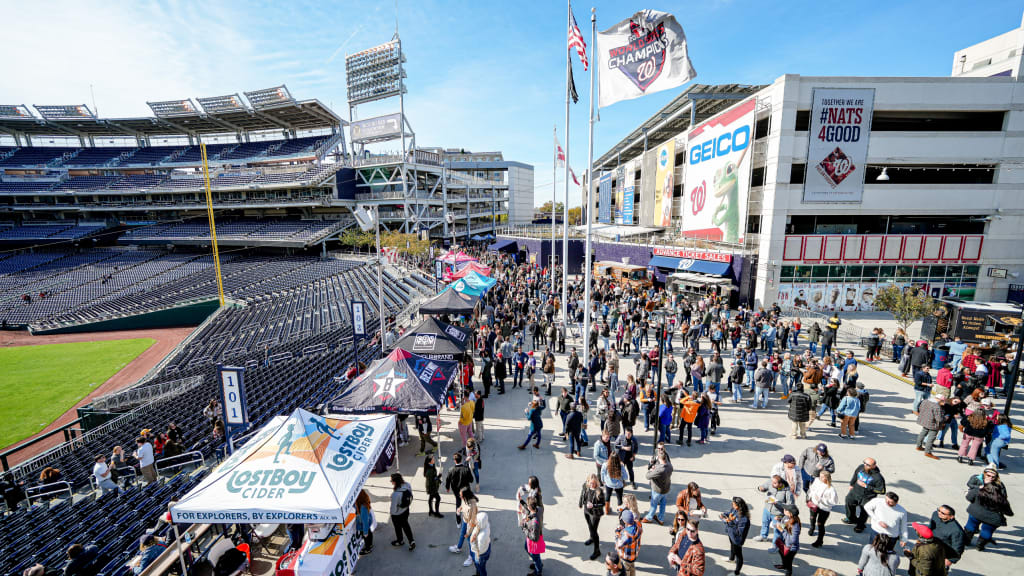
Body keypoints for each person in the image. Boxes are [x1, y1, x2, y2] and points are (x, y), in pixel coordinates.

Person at [964, 467, 1014, 551]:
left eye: (992, 476)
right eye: (988, 475)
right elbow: (1008, 511)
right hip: (992, 518)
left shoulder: (978, 490)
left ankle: (966, 541)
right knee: (987, 531)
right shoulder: (1001, 496)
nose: (990, 478)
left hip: (976, 512)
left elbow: (969, 498)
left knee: (970, 526)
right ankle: (980, 546)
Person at [844, 458, 886, 533]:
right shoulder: (861, 467)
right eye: (864, 463)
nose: (865, 465)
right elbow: (855, 474)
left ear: (874, 466)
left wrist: (866, 486)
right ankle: (851, 519)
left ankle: (860, 525)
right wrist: (852, 484)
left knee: (864, 511)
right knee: (848, 502)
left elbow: (882, 491)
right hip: (855, 491)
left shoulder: (878, 477)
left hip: (867, 497)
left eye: (868, 465)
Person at [806, 469, 839, 548]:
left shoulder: (831, 489)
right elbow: (811, 489)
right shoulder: (817, 481)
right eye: (820, 476)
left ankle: (819, 540)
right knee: (812, 518)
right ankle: (812, 528)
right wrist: (809, 498)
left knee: (820, 524)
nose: (820, 478)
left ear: (826, 478)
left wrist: (822, 500)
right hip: (814, 504)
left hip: (824, 509)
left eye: (822, 477)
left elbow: (834, 502)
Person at [755, 475, 794, 542]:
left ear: (780, 484)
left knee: (777, 529)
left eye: (775, 483)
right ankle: (763, 536)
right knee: (765, 523)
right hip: (767, 509)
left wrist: (778, 503)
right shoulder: (771, 482)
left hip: (778, 513)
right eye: (772, 482)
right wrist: (760, 488)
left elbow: (790, 505)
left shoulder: (787, 492)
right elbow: (763, 487)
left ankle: (776, 543)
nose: (772, 484)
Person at [642, 449, 673, 526]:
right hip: (666, 488)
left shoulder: (659, 470)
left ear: (659, 458)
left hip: (657, 490)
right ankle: (661, 518)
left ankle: (649, 517)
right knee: (663, 504)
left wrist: (652, 469)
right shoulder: (670, 465)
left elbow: (648, 476)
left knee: (654, 504)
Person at [928, 505, 964, 571]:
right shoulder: (935, 514)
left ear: (951, 516)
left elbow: (958, 548)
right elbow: (930, 527)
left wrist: (950, 560)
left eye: (943, 513)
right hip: (930, 547)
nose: (939, 513)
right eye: (939, 510)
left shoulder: (956, 530)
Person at [579, 473, 606, 560]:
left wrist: (593, 505)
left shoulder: (599, 491)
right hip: (586, 511)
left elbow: (603, 503)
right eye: (591, 483)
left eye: (594, 483)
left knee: (594, 531)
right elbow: (582, 494)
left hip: (595, 513)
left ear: (597, 483)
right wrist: (580, 503)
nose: (592, 485)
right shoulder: (585, 487)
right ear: (588, 482)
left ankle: (597, 551)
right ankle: (591, 538)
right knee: (590, 527)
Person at [722, 497, 751, 575]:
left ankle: (737, 572)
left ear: (739, 506)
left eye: (734, 504)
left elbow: (739, 532)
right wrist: (724, 515)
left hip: (737, 539)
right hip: (731, 534)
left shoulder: (743, 518)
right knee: (732, 545)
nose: (732, 505)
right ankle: (731, 559)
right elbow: (730, 513)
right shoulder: (734, 509)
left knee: (739, 555)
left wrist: (729, 522)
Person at [772, 505, 801, 576]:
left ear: (790, 513)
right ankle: (784, 565)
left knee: (789, 562)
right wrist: (779, 519)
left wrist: (782, 530)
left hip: (791, 548)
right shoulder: (787, 518)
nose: (784, 509)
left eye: (786, 509)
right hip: (785, 543)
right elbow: (785, 524)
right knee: (780, 552)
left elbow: (793, 540)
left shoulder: (795, 525)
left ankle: (788, 572)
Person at [389, 473, 415, 550]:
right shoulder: (407, 485)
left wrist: (392, 514)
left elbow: (393, 510)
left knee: (398, 527)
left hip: (397, 514)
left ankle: (400, 541)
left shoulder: (395, 494)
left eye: (392, 481)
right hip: (406, 510)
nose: (391, 482)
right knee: (406, 525)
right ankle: (411, 541)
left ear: (395, 481)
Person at [445, 453, 474, 522]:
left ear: (455, 461)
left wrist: (447, 488)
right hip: (466, 490)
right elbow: (471, 480)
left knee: (458, 504)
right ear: (461, 460)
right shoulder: (466, 469)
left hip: (456, 491)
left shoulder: (451, 470)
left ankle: (458, 521)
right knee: (467, 504)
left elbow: (448, 480)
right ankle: (468, 517)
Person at [915, 395, 945, 460]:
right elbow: (939, 419)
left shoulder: (925, 401)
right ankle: (928, 452)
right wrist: (945, 418)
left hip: (924, 421)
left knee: (923, 433)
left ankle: (918, 446)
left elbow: (919, 408)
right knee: (931, 438)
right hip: (933, 424)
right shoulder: (937, 406)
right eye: (943, 401)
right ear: (939, 400)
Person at [614, 510, 643, 576]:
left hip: (626, 558)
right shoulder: (638, 525)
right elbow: (632, 526)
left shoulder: (626, 535)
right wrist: (624, 529)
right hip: (633, 555)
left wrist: (617, 532)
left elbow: (618, 545)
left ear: (624, 521)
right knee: (632, 568)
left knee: (625, 571)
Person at [521, 496, 544, 576]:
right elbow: (530, 512)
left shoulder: (534, 523)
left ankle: (538, 572)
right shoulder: (539, 509)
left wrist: (524, 529)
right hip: (532, 537)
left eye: (527, 505)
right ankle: (538, 563)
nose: (527, 506)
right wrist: (521, 501)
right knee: (526, 547)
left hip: (534, 542)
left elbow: (535, 538)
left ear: (530, 507)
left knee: (535, 556)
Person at [470, 511, 491, 576]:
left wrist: (472, 541)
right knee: (481, 566)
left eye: (477, 520)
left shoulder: (481, 537)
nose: (475, 521)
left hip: (481, 554)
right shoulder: (486, 524)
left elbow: (479, 550)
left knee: (481, 568)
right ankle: (478, 573)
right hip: (487, 548)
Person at [423, 453, 443, 519]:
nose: (434, 460)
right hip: (432, 487)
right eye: (433, 459)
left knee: (431, 498)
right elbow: (432, 480)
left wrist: (437, 477)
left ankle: (431, 511)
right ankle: (436, 513)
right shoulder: (429, 471)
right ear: (429, 461)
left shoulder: (431, 466)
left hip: (431, 486)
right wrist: (438, 477)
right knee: (438, 498)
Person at [355, 489, 375, 555]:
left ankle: (367, 549)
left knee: (367, 536)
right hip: (368, 521)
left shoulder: (362, 507)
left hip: (363, 525)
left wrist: (365, 532)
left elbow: (365, 522)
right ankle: (370, 544)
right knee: (369, 532)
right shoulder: (365, 500)